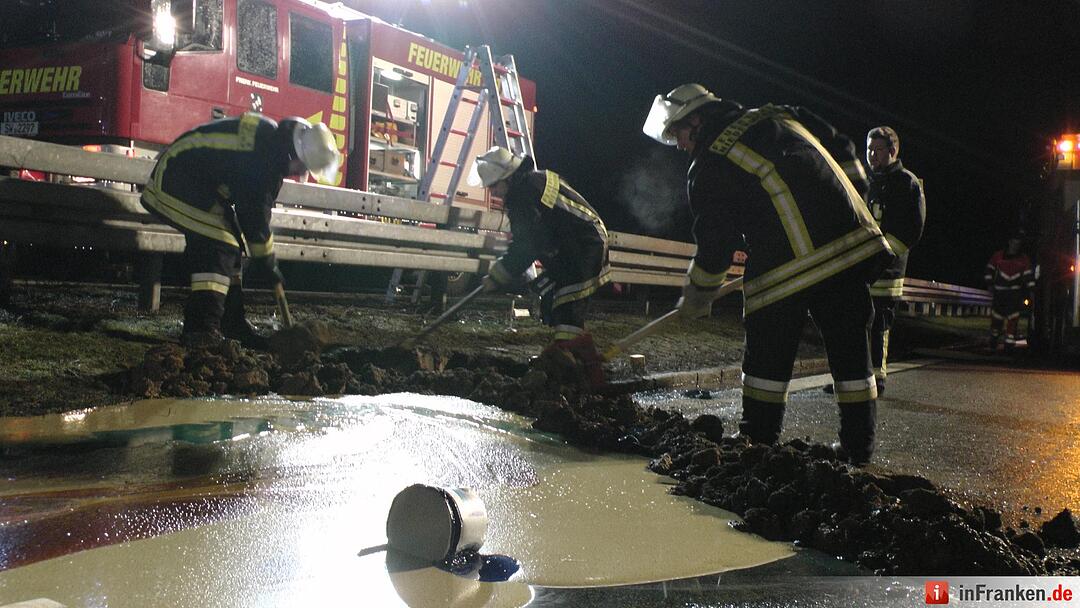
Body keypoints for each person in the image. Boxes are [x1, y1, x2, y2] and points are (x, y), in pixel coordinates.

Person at [643, 84, 895, 464]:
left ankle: (757, 442)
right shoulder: (782, 114)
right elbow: (841, 148)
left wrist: (697, 294)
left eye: (677, 133)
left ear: (696, 121)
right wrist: (849, 203)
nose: (678, 145)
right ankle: (858, 451)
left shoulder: (710, 163)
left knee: (767, 358)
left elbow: (716, 244)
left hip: (784, 269)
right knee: (853, 359)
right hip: (848, 252)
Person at [140, 112, 340, 348]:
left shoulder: (270, 144)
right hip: (176, 181)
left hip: (194, 182)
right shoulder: (266, 158)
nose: (299, 173)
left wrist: (265, 258)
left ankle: (232, 325)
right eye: (302, 167)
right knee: (220, 245)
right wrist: (267, 261)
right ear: (295, 154)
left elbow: (254, 212)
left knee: (232, 247)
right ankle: (201, 330)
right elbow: (254, 214)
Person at [468, 146, 611, 387]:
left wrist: (498, 275)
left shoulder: (523, 195)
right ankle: (581, 366)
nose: (493, 193)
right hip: (579, 244)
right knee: (556, 301)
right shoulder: (533, 182)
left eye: (494, 186)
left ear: (507, 178)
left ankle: (568, 367)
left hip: (583, 247)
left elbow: (527, 245)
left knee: (568, 305)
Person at [861, 126, 926, 393]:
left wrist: (885, 256)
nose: (872, 155)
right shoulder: (864, 181)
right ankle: (856, 378)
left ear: (893, 151)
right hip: (860, 267)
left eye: (877, 150)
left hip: (887, 271)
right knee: (854, 324)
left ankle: (877, 379)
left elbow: (912, 229)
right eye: (869, 149)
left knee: (878, 324)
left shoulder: (907, 183)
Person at [984, 233, 1035, 353]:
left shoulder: (1023, 259)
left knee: (1013, 318)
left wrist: (1032, 290)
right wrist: (989, 284)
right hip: (1000, 293)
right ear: (1009, 242)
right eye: (1014, 242)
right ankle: (994, 338)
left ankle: (1009, 344)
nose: (1015, 245)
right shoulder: (998, 256)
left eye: (1018, 243)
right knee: (997, 317)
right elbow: (989, 270)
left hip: (1014, 294)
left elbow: (1028, 276)